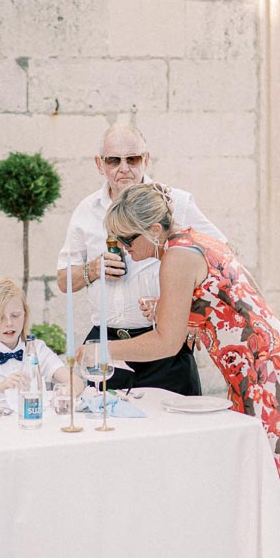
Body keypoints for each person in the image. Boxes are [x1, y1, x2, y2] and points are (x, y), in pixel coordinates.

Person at [95, 183, 280, 558]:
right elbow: (230, 306)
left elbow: (165, 343)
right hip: (273, 362)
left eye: (127, 239)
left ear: (154, 230)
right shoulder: (197, 241)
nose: (123, 249)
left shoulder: (173, 259)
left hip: (264, 373)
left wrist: (101, 349)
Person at [57, 124, 225, 395]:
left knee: (176, 434)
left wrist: (193, 311)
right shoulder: (86, 211)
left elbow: (220, 256)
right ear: (100, 164)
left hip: (166, 351)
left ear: (146, 160)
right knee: (108, 430)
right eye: (114, 160)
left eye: (132, 159)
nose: (124, 168)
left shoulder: (176, 202)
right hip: (109, 348)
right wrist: (93, 269)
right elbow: (63, 280)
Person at [0, 277, 72, 402]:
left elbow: (73, 381)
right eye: (0, 318)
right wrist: (1, 386)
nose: (9, 323)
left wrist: (66, 391)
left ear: (24, 315)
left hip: (32, 418)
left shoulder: (36, 348)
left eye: (15, 315)